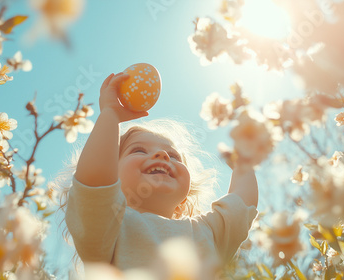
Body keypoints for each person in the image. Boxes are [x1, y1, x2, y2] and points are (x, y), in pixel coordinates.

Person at [61, 72, 259, 276]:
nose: (162, 155)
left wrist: (243, 163)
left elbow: (242, 206)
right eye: (138, 150)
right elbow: (95, 182)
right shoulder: (107, 228)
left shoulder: (206, 231)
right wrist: (110, 114)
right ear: (112, 174)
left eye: (174, 156)